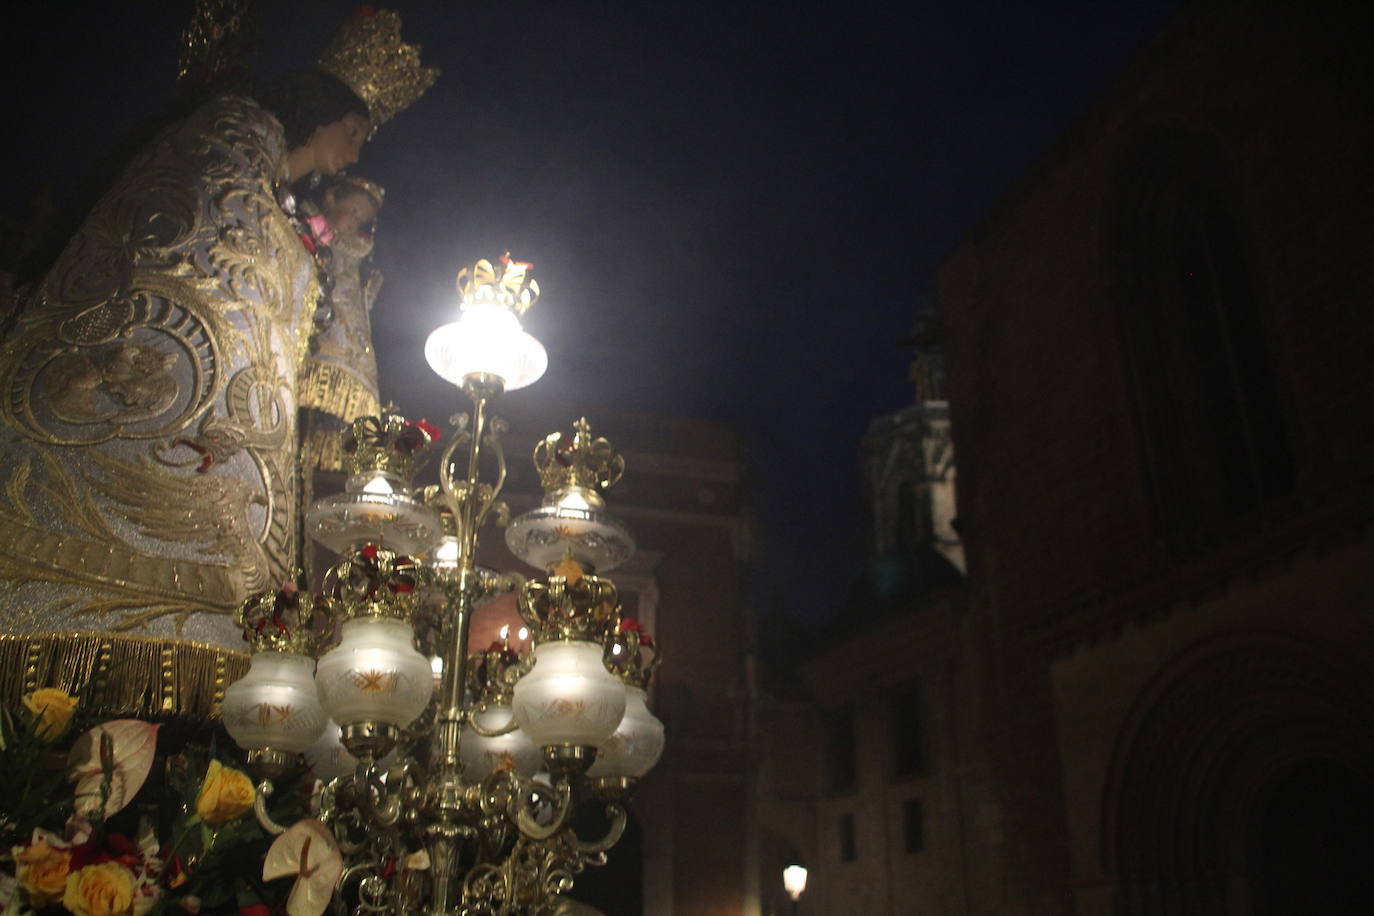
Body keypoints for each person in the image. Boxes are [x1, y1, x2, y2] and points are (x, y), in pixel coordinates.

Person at [0, 9, 435, 716]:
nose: (354, 155)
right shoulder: (232, 138)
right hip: (154, 396)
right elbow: (197, 245)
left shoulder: (287, 200)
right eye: (352, 133)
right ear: (319, 112)